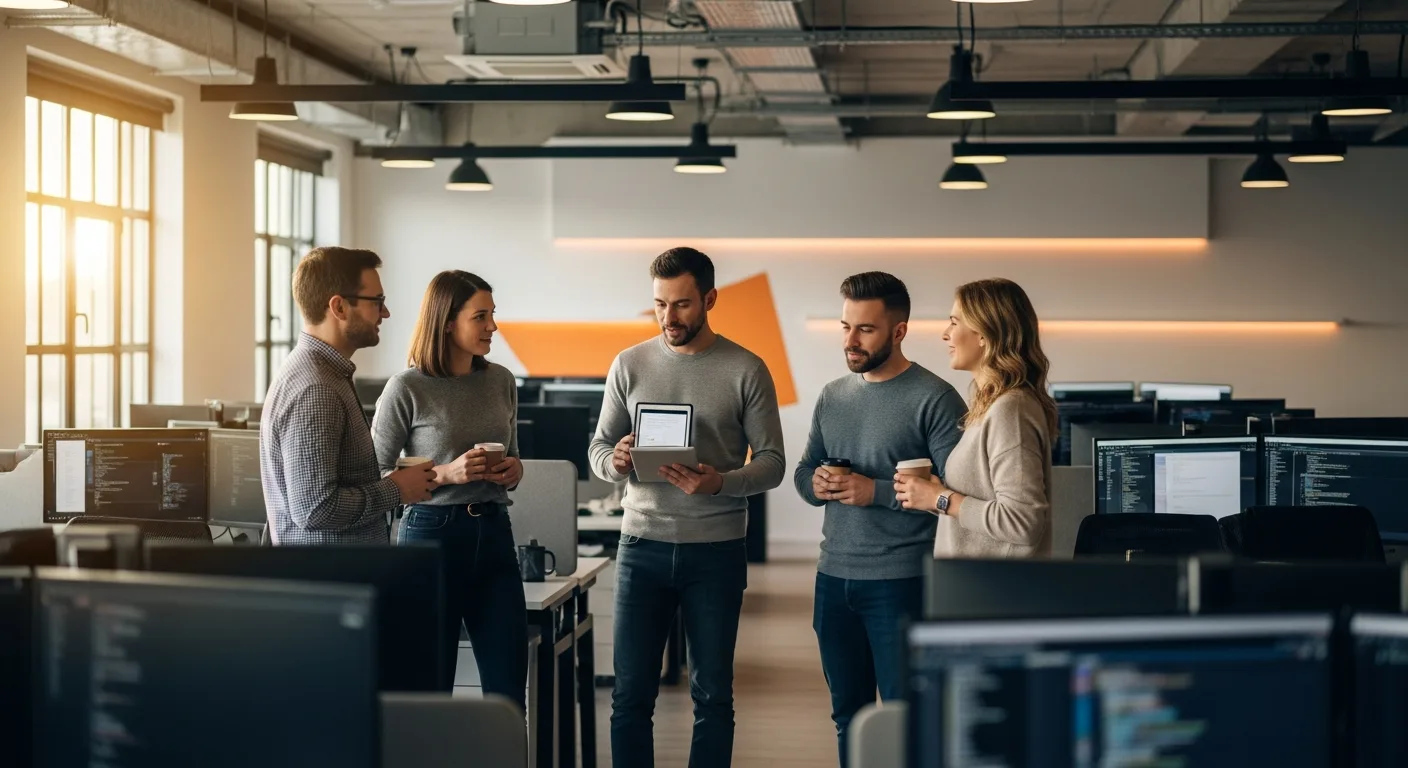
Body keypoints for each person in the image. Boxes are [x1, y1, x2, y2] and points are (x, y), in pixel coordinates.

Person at [590, 247, 787, 768]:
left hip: (716, 550)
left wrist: (720, 482)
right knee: (630, 697)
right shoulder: (629, 364)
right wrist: (615, 460)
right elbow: (598, 449)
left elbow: (773, 463)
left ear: (710, 299)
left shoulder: (746, 368)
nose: (668, 317)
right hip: (641, 546)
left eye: (680, 304)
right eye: (659, 304)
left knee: (713, 697)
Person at [793, 272, 967, 767]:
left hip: (902, 580)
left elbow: (953, 494)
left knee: (902, 718)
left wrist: (875, 492)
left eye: (865, 329)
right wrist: (815, 485)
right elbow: (804, 473)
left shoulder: (935, 398)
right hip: (833, 578)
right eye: (845, 326)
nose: (850, 340)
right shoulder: (832, 396)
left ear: (899, 331)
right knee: (847, 716)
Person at [371, 270, 529, 710]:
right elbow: (375, 474)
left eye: (492, 314)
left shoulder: (501, 380)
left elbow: (515, 455)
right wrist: (445, 474)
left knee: (508, 691)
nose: (492, 326)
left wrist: (514, 470)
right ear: (445, 322)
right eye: (480, 316)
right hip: (431, 536)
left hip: (494, 533)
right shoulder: (407, 387)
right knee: (431, 689)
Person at [260, 246, 437, 545]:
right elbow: (315, 509)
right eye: (377, 301)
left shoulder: (321, 372)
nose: (385, 313)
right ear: (339, 307)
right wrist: (396, 489)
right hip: (330, 572)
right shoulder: (316, 388)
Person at [894, 278, 1057, 557]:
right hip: (975, 581)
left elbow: (1023, 522)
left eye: (954, 322)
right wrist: (934, 496)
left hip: (994, 584)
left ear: (983, 333)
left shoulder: (1011, 410)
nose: (945, 334)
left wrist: (941, 498)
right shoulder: (991, 407)